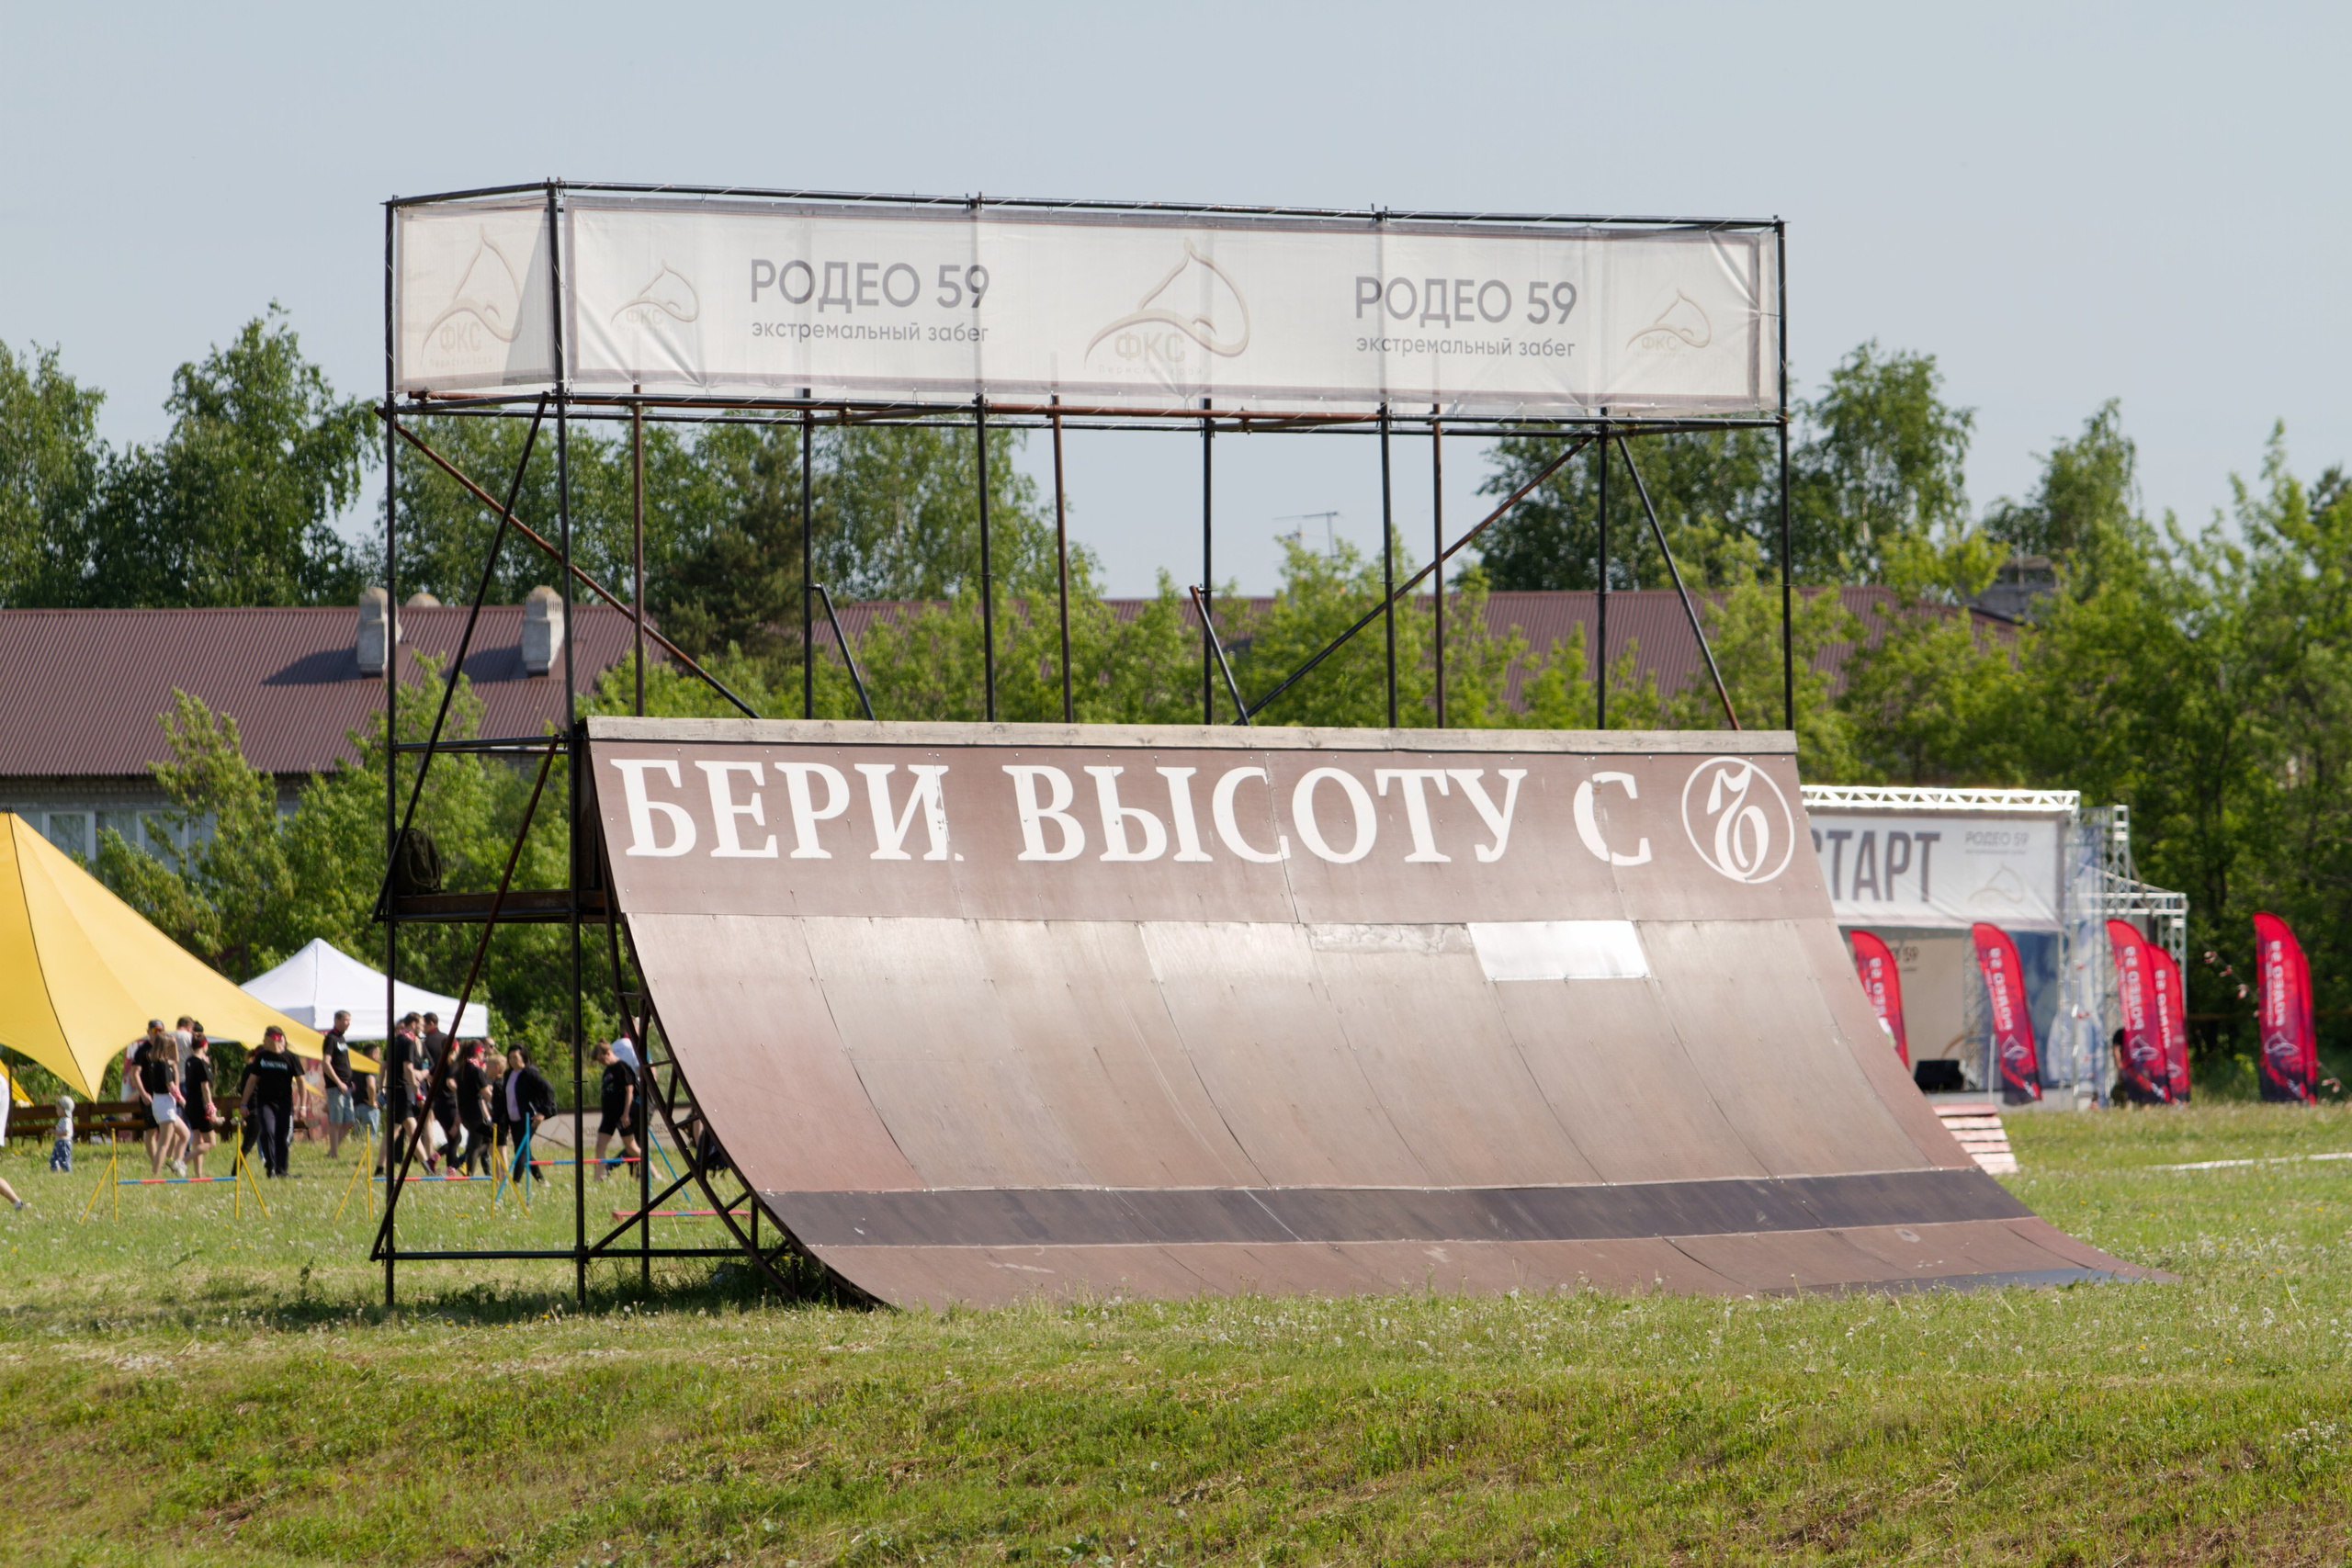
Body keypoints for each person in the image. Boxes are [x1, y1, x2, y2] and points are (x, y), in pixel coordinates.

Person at [238, 1025, 300, 1178]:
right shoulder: (262, 1057)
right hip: (265, 1102)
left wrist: (303, 1106)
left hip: (284, 1103)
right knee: (267, 1133)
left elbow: (301, 1082)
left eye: (265, 1039)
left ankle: (281, 1170)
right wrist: (244, 1103)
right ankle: (270, 1167)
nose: (263, 1042)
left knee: (282, 1135)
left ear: (275, 1039)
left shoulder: (291, 1057)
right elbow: (251, 1081)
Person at [502, 1043, 556, 1185]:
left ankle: (516, 1183)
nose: (512, 1060)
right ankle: (541, 1181)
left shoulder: (530, 1073)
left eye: (515, 1057)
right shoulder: (508, 1074)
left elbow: (548, 1091)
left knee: (521, 1151)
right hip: (513, 1120)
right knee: (523, 1151)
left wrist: (542, 1113)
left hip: (529, 1119)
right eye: (510, 1057)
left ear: (523, 1057)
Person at [140, 1022, 188, 1178]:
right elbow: (171, 1087)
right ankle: (155, 1175)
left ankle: (177, 1163)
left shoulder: (156, 1061)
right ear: (164, 1047)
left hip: (162, 1103)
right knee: (164, 1144)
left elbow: (175, 1059)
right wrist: (183, 1101)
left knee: (185, 1134)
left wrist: (173, 1044)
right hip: (165, 1104)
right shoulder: (162, 1065)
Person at [593, 1041, 639, 1181]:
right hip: (609, 1117)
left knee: (631, 1148)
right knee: (600, 1145)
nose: (602, 1063)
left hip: (621, 1115)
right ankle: (598, 1178)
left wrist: (626, 1113)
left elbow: (629, 1091)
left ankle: (654, 1173)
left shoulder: (621, 1067)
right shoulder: (607, 1070)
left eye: (602, 1059)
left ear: (608, 1053)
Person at [455, 1040, 496, 1176]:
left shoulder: (462, 1067)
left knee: (486, 1140)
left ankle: (476, 1172)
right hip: (475, 1113)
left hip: (465, 1112)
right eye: (483, 1052)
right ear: (478, 1052)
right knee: (475, 1146)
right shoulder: (475, 1069)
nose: (484, 1054)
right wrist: (499, 1105)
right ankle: (469, 1174)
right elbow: (486, 1093)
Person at [319, 1010, 356, 1159]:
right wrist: (339, 1082)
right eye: (346, 1020)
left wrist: (349, 1080)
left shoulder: (342, 1039)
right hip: (336, 1087)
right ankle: (334, 1154)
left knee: (349, 1121)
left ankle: (331, 1150)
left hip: (346, 1085)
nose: (348, 1023)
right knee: (335, 1121)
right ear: (337, 1020)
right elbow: (326, 1063)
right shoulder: (331, 1039)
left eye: (349, 1020)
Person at [182, 1032, 219, 1179]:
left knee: (198, 1138)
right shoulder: (201, 1063)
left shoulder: (189, 1061)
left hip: (190, 1104)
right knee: (211, 1142)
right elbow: (205, 1088)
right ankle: (182, 1162)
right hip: (200, 1105)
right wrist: (210, 1107)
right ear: (204, 1045)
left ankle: (198, 1174)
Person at [50, 1095, 74, 1174]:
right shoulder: (62, 1120)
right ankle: (54, 1172)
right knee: (53, 1159)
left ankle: (68, 1172)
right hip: (59, 1143)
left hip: (64, 1143)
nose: (56, 1111)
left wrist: (55, 1132)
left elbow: (66, 1133)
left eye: (58, 1108)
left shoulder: (66, 1120)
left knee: (64, 1160)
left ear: (64, 1110)